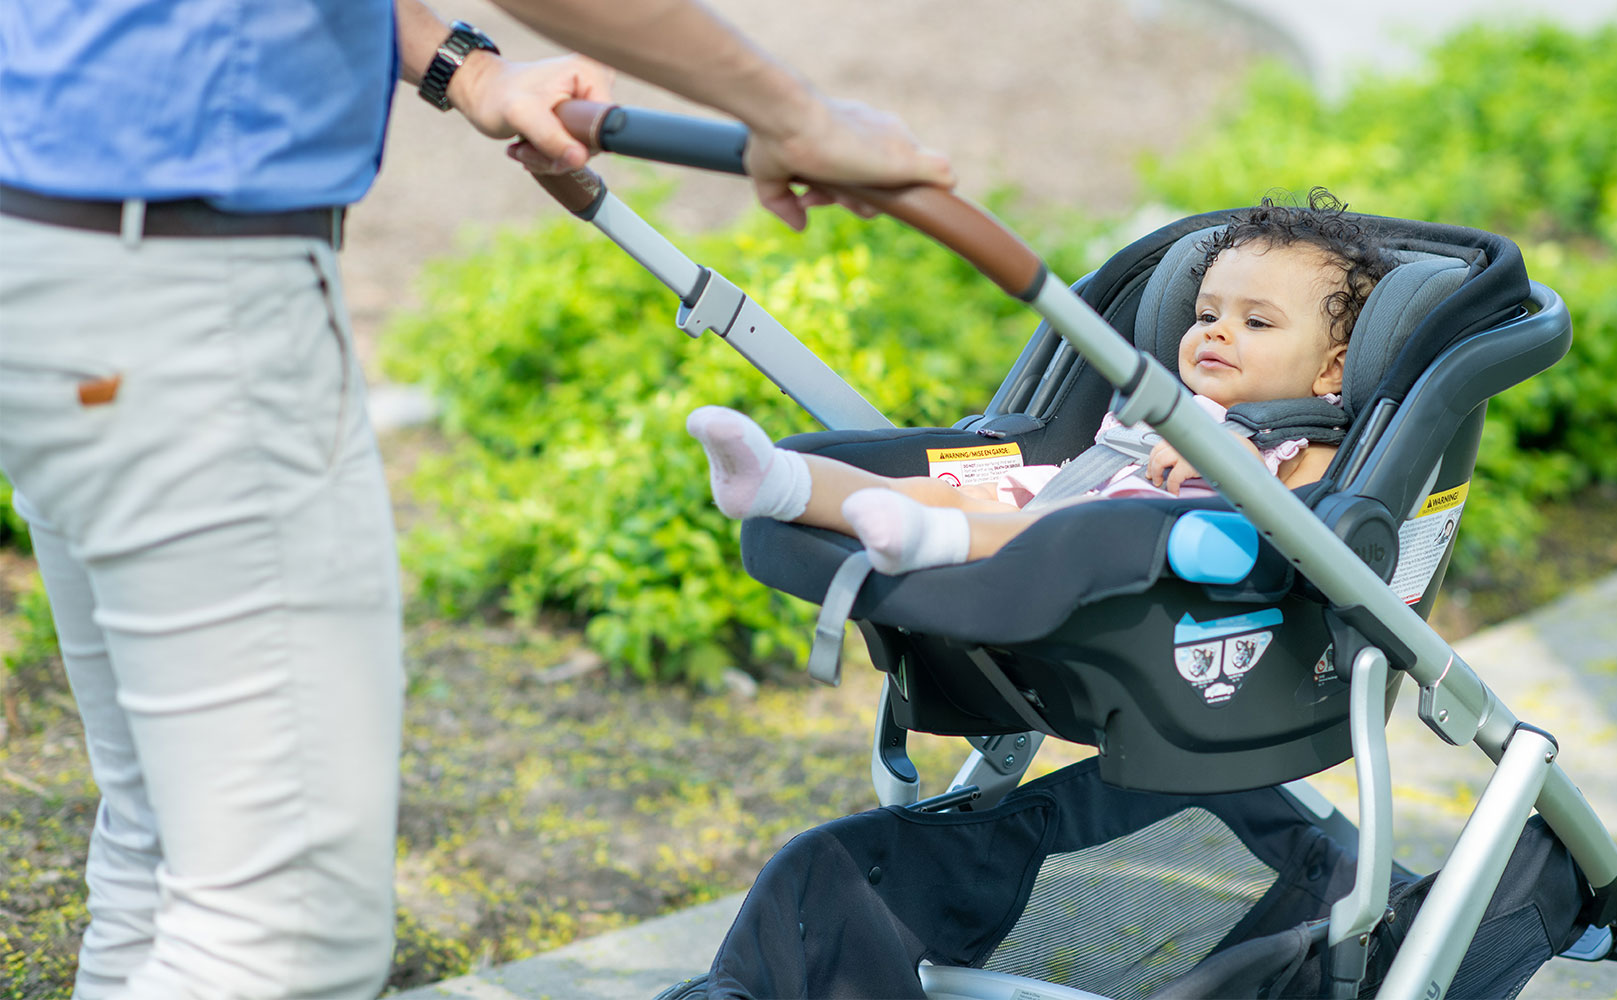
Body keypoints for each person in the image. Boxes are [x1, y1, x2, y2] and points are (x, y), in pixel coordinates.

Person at [0, 1, 952, 997]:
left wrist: (466, 70)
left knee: (168, 836)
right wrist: (795, 115)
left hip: (49, 238)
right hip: (183, 288)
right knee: (278, 932)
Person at [687, 198, 1393, 574]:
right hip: (1068, 492)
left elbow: (1312, 526)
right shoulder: (1175, 403)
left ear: (1332, 367)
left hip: (1132, 553)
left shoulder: (1308, 438)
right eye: (1206, 314)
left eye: (1256, 322)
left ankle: (928, 539)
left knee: (1025, 530)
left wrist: (1236, 464)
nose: (1214, 331)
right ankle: (782, 481)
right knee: (939, 488)